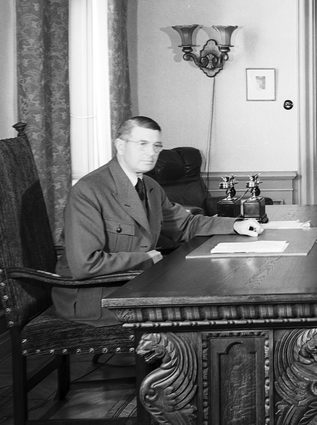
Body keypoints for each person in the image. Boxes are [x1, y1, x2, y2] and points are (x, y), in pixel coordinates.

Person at [55, 115, 263, 325]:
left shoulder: (150, 186)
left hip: (137, 283)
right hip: (97, 297)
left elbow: (185, 225)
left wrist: (235, 225)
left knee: (218, 291)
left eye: (156, 146)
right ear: (120, 145)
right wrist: (146, 259)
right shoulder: (89, 190)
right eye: (142, 144)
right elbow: (85, 264)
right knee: (203, 308)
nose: (151, 153)